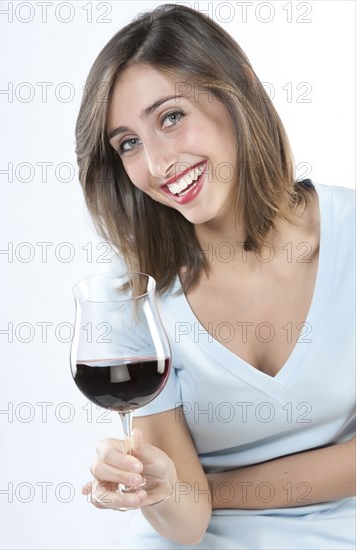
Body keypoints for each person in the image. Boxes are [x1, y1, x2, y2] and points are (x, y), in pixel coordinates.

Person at [75, 4, 355, 549]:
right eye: (128, 143)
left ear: (235, 92)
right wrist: (158, 488)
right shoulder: (130, 293)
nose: (157, 164)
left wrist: (207, 488)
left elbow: (200, 498)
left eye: (171, 117)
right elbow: (187, 523)